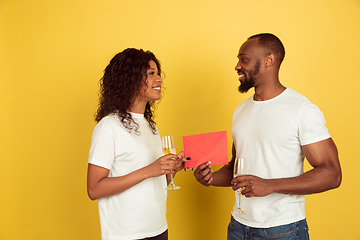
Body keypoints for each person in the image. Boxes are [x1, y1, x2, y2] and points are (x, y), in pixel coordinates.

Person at [193, 33, 342, 240]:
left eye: (244, 59)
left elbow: (332, 174)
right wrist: (210, 178)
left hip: (282, 230)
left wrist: (270, 185)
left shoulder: (301, 109)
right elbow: (235, 169)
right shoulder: (241, 110)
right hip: (238, 227)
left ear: (269, 60)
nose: (237, 66)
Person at [87, 48, 186, 240]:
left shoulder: (151, 126)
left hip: (157, 228)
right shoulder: (109, 126)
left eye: (158, 73)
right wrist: (150, 169)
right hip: (126, 234)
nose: (159, 79)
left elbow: (155, 181)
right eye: (151, 74)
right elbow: (94, 189)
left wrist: (172, 170)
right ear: (130, 78)